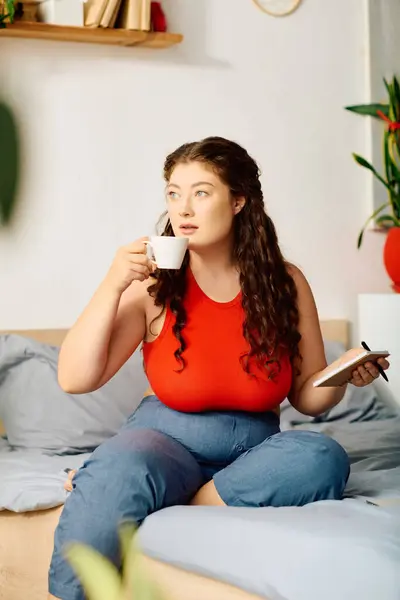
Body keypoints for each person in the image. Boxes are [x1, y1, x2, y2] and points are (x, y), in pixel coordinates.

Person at [48, 136, 389, 600]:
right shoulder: (153, 286)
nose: (182, 208)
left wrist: (342, 376)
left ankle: (183, 496)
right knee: (125, 461)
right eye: (173, 193)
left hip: (254, 452)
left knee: (321, 457)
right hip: (163, 441)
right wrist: (112, 284)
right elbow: (74, 377)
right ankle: (111, 493)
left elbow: (308, 400)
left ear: (239, 201)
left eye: (201, 192)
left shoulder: (285, 284)